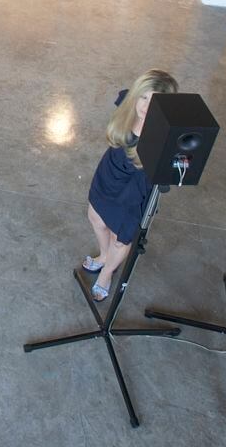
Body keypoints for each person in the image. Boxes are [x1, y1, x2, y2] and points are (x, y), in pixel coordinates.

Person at [83, 69, 179, 301]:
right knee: (95, 218)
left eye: (155, 102)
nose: (146, 106)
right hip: (109, 175)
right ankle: (104, 255)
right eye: (144, 97)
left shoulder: (164, 135)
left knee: (120, 238)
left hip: (132, 192)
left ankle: (106, 272)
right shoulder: (128, 106)